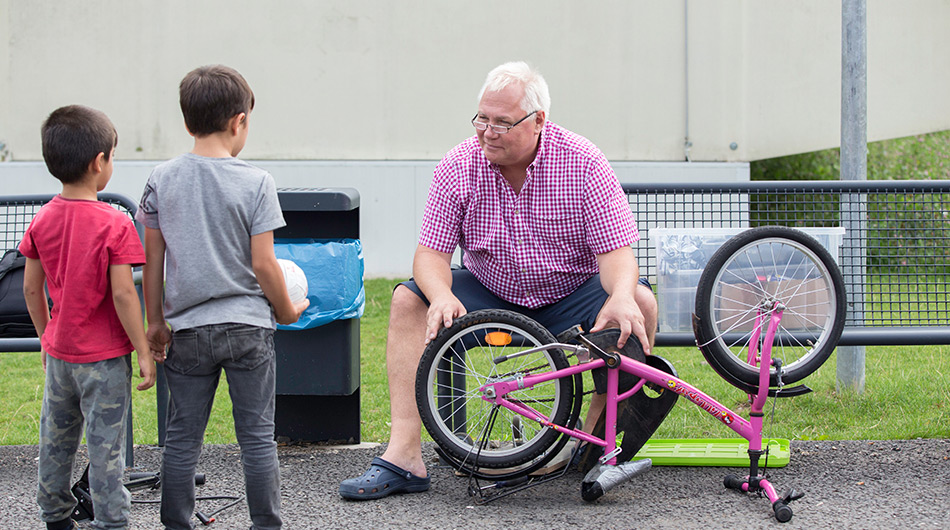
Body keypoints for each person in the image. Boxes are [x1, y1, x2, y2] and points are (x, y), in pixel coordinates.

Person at [339, 61, 657, 500]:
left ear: (538, 121)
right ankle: (403, 458)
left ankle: (590, 449)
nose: (488, 131)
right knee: (406, 301)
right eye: (482, 119)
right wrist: (440, 294)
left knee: (639, 303)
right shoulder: (458, 164)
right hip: (492, 291)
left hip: (570, 292)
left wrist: (621, 294)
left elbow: (617, 254)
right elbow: (430, 253)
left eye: (502, 123)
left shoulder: (584, 162)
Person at [137, 65, 308, 530]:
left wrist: (155, 322)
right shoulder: (256, 182)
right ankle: (265, 525)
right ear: (239, 122)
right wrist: (287, 310)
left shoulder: (160, 179)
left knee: (182, 437)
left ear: (188, 119)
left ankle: (177, 523)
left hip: (187, 330)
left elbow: (152, 262)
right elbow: (264, 265)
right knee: (256, 436)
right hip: (248, 326)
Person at [21, 105, 157, 530]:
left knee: (55, 444)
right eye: (113, 156)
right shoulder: (114, 224)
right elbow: (123, 294)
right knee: (106, 452)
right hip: (103, 362)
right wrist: (143, 351)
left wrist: (47, 338)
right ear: (99, 163)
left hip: (61, 356)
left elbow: (30, 289)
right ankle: (112, 522)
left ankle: (56, 517)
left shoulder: (43, 218)